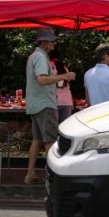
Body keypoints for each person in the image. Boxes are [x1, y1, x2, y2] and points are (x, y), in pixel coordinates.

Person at [25, 29, 76, 184]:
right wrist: (64, 76)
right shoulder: (41, 57)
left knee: (37, 139)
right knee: (50, 141)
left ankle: (30, 174)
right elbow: (41, 80)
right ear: (44, 42)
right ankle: (52, 178)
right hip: (45, 104)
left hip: (35, 104)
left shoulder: (34, 56)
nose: (54, 43)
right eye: (52, 41)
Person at [49, 47, 74, 123]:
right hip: (67, 101)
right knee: (65, 128)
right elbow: (67, 83)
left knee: (53, 128)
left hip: (54, 100)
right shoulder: (64, 67)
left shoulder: (48, 65)